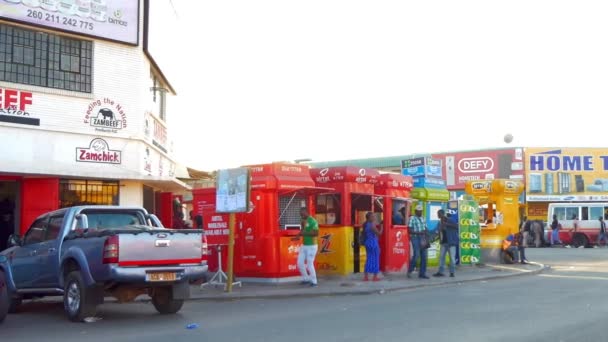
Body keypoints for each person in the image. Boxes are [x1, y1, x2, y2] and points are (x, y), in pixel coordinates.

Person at [434, 209, 459, 277]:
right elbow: (438, 231)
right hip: (444, 243)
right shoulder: (439, 222)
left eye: (438, 214)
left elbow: (457, 226)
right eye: (437, 214)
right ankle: (440, 272)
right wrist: (436, 238)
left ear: (442, 214)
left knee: (452, 259)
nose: (437, 215)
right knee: (441, 258)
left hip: (451, 243)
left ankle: (452, 272)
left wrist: (447, 224)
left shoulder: (449, 220)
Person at [298, 208, 319, 287]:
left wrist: (305, 233)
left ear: (306, 213)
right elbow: (302, 230)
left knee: (309, 264)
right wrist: (297, 236)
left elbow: (316, 233)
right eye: (300, 214)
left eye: (302, 214)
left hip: (312, 246)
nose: (301, 216)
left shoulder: (313, 221)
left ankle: (314, 281)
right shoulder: (303, 221)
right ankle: (305, 279)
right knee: (300, 263)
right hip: (304, 245)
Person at [407, 204, 429, 279]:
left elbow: (426, 228)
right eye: (419, 211)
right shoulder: (412, 218)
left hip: (423, 237)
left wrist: (426, 235)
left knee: (424, 256)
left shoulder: (423, 218)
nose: (420, 212)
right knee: (416, 255)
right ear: (415, 211)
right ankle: (410, 270)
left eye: (421, 211)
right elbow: (409, 230)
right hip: (415, 238)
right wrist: (419, 232)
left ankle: (422, 273)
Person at [363, 212, 383, 281]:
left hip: (367, 242)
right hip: (373, 243)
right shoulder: (372, 225)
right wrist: (382, 227)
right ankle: (375, 277)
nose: (374, 218)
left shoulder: (366, 224)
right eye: (373, 216)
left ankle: (366, 277)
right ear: (369, 218)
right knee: (375, 259)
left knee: (368, 259)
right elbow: (379, 233)